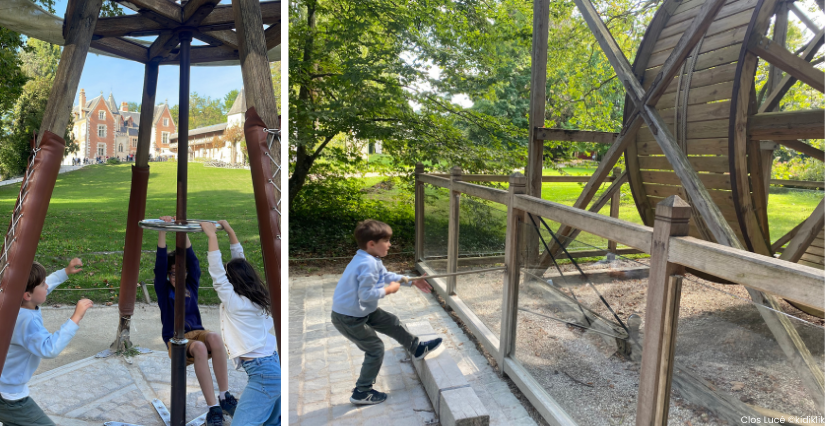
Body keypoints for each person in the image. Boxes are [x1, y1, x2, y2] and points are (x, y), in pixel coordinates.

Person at [332, 219, 442, 405]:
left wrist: (410, 280)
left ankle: (416, 348)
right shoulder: (366, 265)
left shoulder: (369, 258)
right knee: (375, 348)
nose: (390, 245)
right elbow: (366, 295)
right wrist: (388, 290)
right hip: (348, 318)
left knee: (391, 321)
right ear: (372, 244)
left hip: (361, 311)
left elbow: (385, 275)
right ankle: (362, 391)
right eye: (386, 241)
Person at [154, 216, 237, 426]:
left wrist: (184, 232)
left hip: (197, 332)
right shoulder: (164, 291)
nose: (176, 276)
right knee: (200, 347)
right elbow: (160, 263)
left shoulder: (191, 284)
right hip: (176, 340)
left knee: (215, 338)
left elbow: (192, 261)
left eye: (179, 272)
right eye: (172, 273)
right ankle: (213, 409)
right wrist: (163, 229)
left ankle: (224, 396)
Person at [200, 220, 280, 426]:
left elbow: (217, 273)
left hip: (263, 374)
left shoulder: (234, 302)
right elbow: (240, 264)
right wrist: (230, 231)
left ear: (232, 282)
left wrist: (212, 236)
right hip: (271, 363)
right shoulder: (256, 295)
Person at [0, 259, 91, 426]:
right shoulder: (27, 322)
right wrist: (75, 318)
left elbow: (46, 285)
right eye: (42, 285)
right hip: (10, 398)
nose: (46, 286)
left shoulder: (16, 304)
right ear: (27, 295)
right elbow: (50, 348)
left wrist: (65, 272)